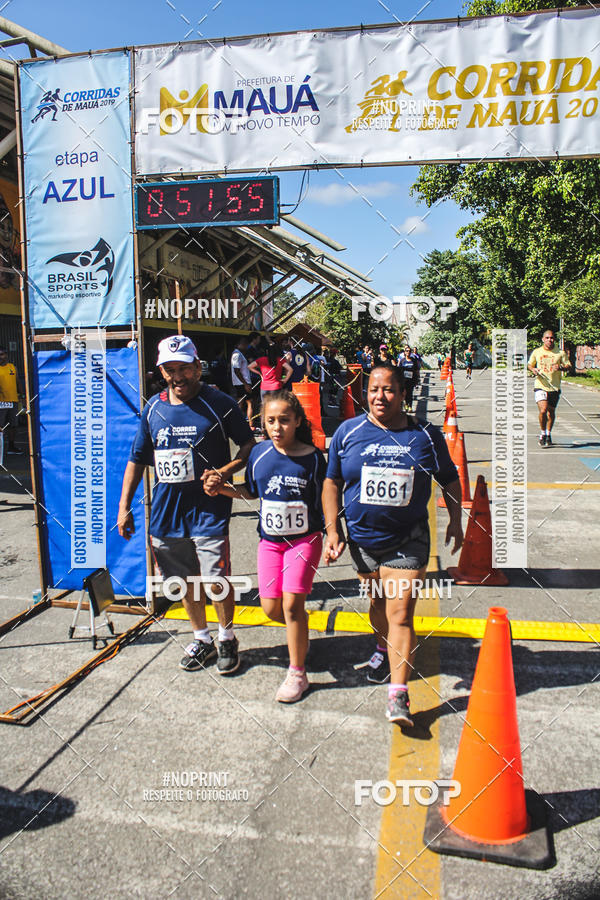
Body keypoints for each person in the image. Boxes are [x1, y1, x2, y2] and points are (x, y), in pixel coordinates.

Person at [322, 365, 463, 726]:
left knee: (400, 614)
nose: (379, 397)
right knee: (378, 604)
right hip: (362, 541)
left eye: (388, 390)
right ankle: (382, 646)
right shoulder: (347, 432)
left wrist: (457, 521)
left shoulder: (425, 435)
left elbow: (449, 478)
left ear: (402, 394)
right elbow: (331, 482)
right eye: (373, 389)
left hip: (408, 540)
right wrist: (333, 530)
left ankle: (398, 695)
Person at [118, 335, 255, 674]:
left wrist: (224, 473)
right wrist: (124, 507)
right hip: (167, 512)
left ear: (197, 366)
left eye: (183, 368)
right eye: (169, 370)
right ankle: (201, 638)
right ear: (161, 372)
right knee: (183, 581)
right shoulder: (153, 408)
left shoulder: (220, 402)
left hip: (209, 509)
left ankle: (226, 637)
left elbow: (248, 445)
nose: (177, 376)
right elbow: (137, 459)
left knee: (216, 579)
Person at [206, 389, 326, 702]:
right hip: (270, 543)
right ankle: (300, 628)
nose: (277, 427)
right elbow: (250, 491)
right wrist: (222, 489)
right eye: (270, 421)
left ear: (297, 421)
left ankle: (297, 673)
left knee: (291, 605)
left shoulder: (313, 459)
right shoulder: (259, 454)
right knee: (272, 608)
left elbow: (326, 500)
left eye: (284, 420)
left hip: (304, 541)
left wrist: (333, 536)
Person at [528, 330, 571, 447]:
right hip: (540, 386)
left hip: (554, 387)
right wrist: (533, 369)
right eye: (547, 338)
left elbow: (568, 365)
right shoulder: (537, 352)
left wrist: (561, 367)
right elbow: (530, 364)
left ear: (554, 339)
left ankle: (548, 434)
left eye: (551, 338)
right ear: (543, 339)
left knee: (551, 412)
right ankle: (542, 433)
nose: (549, 340)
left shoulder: (560, 353)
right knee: (543, 410)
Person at [0, 346, 25, 454]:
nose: (0, 357)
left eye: (2, 354)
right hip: (1, 402)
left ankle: (11, 447)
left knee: (13, 425)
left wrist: (22, 396)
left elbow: (18, 382)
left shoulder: (12, 367)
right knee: (1, 426)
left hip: (13, 401)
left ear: (6, 355)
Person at [230, 336, 253, 426]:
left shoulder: (239, 354)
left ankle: (239, 423)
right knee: (249, 403)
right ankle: (250, 424)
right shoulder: (237, 354)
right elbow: (236, 370)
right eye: (244, 344)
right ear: (239, 344)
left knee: (241, 403)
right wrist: (245, 384)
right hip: (241, 383)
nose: (246, 346)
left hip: (241, 383)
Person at [398, 346, 418, 412]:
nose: (408, 352)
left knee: (410, 393)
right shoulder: (402, 360)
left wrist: (417, 379)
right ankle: (406, 404)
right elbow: (399, 370)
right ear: (404, 352)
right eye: (407, 351)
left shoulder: (413, 360)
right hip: (404, 380)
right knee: (405, 393)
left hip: (411, 379)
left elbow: (416, 370)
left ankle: (410, 406)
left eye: (409, 351)